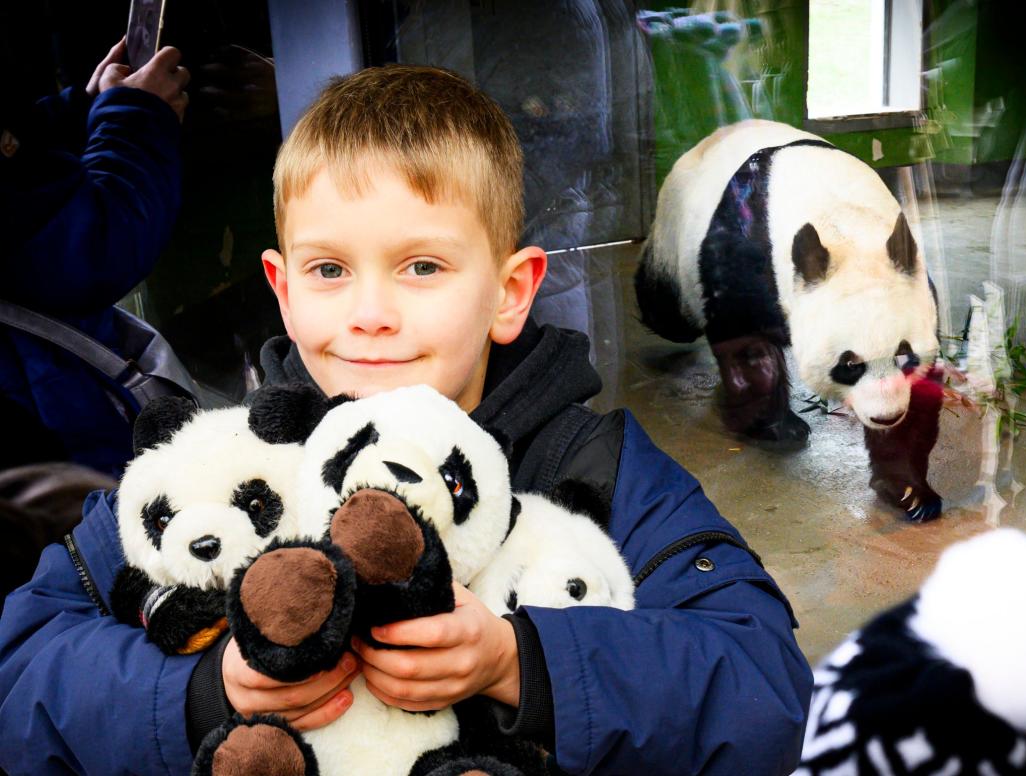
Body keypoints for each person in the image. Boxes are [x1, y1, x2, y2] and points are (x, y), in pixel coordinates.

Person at [0, 65, 811, 775]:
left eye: (421, 266)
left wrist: (524, 665)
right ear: (282, 289)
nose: (370, 314)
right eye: (329, 270)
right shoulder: (208, 468)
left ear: (509, 293)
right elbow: (23, 673)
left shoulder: (596, 471)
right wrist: (199, 694)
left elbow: (763, 691)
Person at [0, 37, 190, 478]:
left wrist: (87, 108)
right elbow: (95, 246)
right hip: (61, 448)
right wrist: (137, 118)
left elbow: (15, 153)